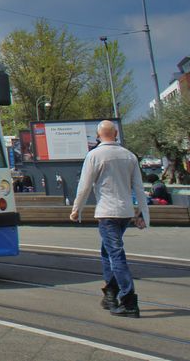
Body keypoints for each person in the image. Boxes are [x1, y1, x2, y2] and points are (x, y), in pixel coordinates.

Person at [70, 120, 149, 317]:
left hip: (107, 213)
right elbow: (139, 187)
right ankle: (110, 294)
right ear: (115, 134)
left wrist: (76, 209)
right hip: (125, 213)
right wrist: (144, 214)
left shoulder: (95, 155)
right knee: (107, 252)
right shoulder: (129, 156)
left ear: (98, 135)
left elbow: (84, 186)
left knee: (115, 255)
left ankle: (129, 300)